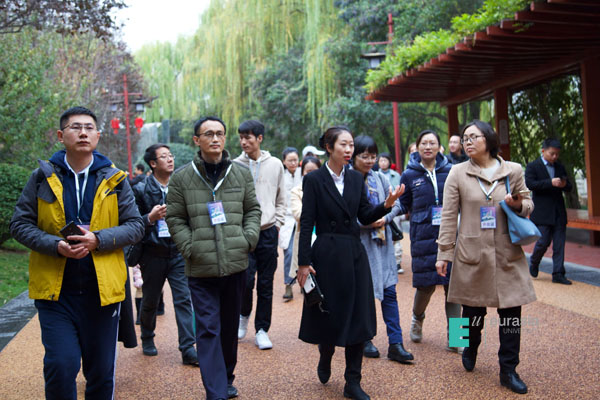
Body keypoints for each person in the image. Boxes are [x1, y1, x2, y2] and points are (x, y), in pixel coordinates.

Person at [10, 106, 145, 399]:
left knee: (100, 373)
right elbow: (19, 224)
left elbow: (136, 226)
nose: (83, 133)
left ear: (98, 135)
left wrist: (99, 239)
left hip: (102, 293)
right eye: (75, 127)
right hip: (56, 292)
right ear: (61, 136)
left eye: (88, 127)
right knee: (61, 365)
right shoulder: (42, 177)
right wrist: (55, 246)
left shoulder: (115, 179)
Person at [297, 126, 404, 400]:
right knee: (328, 313)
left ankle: (352, 381)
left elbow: (364, 215)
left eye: (351, 145)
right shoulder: (314, 180)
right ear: (329, 147)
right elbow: (307, 222)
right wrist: (303, 263)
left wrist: (387, 204)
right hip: (326, 254)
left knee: (359, 316)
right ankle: (326, 353)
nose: (349, 150)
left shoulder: (357, 178)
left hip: (355, 254)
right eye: (343, 145)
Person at [436, 120, 536, 395]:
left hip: (507, 253)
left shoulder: (513, 170)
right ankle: (468, 347)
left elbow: (528, 203)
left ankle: (509, 370)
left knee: (511, 315)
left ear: (488, 139)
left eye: (473, 137)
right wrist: (444, 253)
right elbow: (448, 215)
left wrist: (519, 203)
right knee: (470, 313)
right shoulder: (457, 172)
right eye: (464, 138)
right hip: (471, 252)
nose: (467, 142)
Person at [166, 116, 261, 400]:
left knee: (229, 328)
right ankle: (216, 391)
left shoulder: (240, 173)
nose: (215, 138)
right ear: (197, 140)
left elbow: (253, 210)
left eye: (220, 133)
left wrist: (247, 240)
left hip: (235, 263)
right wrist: (190, 247)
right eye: (208, 134)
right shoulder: (182, 177)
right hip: (200, 268)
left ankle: (226, 377)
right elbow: (175, 218)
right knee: (208, 328)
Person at [351, 136, 414, 364]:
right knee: (366, 293)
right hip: (365, 244)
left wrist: (385, 217)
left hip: (388, 243)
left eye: (373, 156)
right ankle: (366, 337)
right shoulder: (350, 180)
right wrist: (374, 219)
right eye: (364, 156)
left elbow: (397, 204)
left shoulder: (450, 172)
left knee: (452, 298)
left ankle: (459, 343)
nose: (370, 161)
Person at [133, 143, 197, 363]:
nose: (170, 160)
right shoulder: (141, 189)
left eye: (171, 156)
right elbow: (132, 223)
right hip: (152, 253)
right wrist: (150, 218)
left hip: (178, 252)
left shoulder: (181, 186)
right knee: (150, 300)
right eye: (164, 157)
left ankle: (188, 347)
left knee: (183, 299)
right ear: (153, 163)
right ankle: (147, 337)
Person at [398, 130, 461, 352]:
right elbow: (403, 204)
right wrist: (385, 213)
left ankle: (457, 339)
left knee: (454, 288)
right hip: (422, 236)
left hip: (450, 234)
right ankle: (417, 317)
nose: (427, 147)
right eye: (423, 143)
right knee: (425, 286)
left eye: (432, 143)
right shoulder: (409, 174)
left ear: (439, 147)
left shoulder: (451, 171)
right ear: (417, 147)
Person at [235, 120, 286, 350]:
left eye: (248, 137)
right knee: (245, 281)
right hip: (243, 233)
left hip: (268, 232)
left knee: (266, 284)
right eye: (241, 137)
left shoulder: (275, 164)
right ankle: (243, 315)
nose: (244, 142)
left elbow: (281, 197)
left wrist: (278, 223)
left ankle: (262, 329)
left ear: (260, 138)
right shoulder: (235, 165)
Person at [525, 138, 573, 285]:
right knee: (543, 242)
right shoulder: (533, 166)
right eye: (552, 154)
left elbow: (569, 186)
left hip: (558, 211)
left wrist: (564, 184)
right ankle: (534, 261)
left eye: (557, 154)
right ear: (543, 151)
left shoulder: (559, 167)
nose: (555, 157)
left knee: (559, 244)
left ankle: (558, 273)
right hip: (542, 212)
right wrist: (550, 183)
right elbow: (530, 184)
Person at [288, 156, 322, 282]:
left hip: (324, 238)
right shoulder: (296, 191)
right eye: (308, 171)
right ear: (302, 172)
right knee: (307, 281)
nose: (312, 175)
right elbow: (298, 214)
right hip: (306, 239)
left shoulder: (328, 189)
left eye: (315, 171)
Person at [279, 147, 302, 301]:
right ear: (284, 162)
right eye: (290, 160)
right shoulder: (281, 176)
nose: (293, 163)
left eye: (295, 160)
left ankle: (306, 283)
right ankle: (289, 284)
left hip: (302, 217)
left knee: (306, 250)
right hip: (286, 220)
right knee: (288, 252)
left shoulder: (304, 174)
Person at [378, 152, 404, 274]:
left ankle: (397, 262)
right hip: (380, 210)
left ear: (389, 162)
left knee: (396, 234)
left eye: (385, 160)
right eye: (381, 160)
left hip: (394, 210)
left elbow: (400, 193)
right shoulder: (375, 175)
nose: (383, 163)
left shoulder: (396, 175)